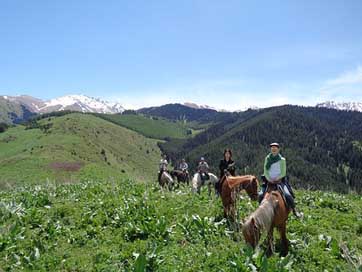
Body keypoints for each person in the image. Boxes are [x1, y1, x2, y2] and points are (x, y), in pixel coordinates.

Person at [259, 143, 299, 217]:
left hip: (279, 182)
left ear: (278, 149)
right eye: (272, 148)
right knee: (261, 195)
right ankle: (260, 212)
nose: (273, 149)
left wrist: (277, 179)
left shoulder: (282, 160)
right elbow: (265, 171)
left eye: (275, 148)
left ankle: (294, 210)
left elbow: (283, 172)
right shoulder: (267, 159)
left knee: (288, 195)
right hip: (269, 181)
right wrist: (269, 179)